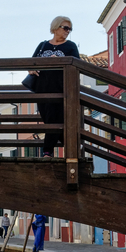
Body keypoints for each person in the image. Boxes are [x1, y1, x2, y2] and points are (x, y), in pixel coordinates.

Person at [26, 15, 81, 156]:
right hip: (42, 89)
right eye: (66, 28)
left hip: (60, 89)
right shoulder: (43, 45)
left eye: (70, 29)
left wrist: (60, 60)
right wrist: (32, 69)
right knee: (49, 120)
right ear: (56, 28)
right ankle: (73, 149)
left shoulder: (70, 46)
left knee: (54, 119)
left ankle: (47, 151)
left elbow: (78, 66)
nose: (68, 31)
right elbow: (31, 63)